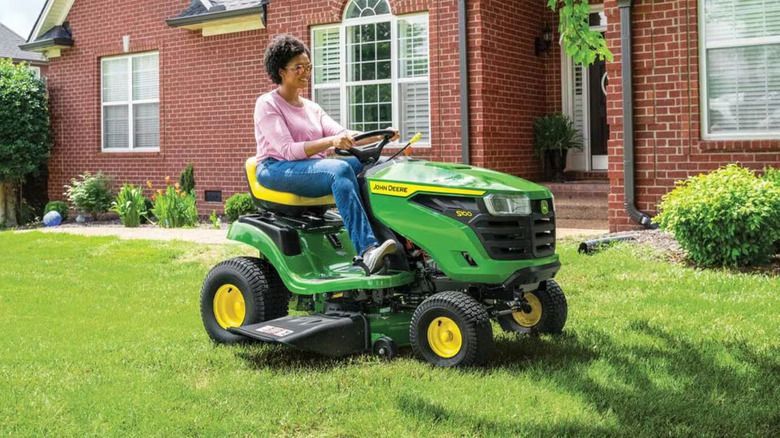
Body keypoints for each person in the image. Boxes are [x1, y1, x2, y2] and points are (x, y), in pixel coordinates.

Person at [254, 34, 398, 274]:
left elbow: (342, 133)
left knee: (379, 165)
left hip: (308, 168)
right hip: (275, 168)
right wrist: (331, 142)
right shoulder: (268, 104)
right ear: (281, 71)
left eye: (308, 66)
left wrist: (382, 135)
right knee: (338, 169)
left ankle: (399, 241)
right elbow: (288, 151)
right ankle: (368, 251)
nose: (305, 71)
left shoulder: (312, 107)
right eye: (298, 67)